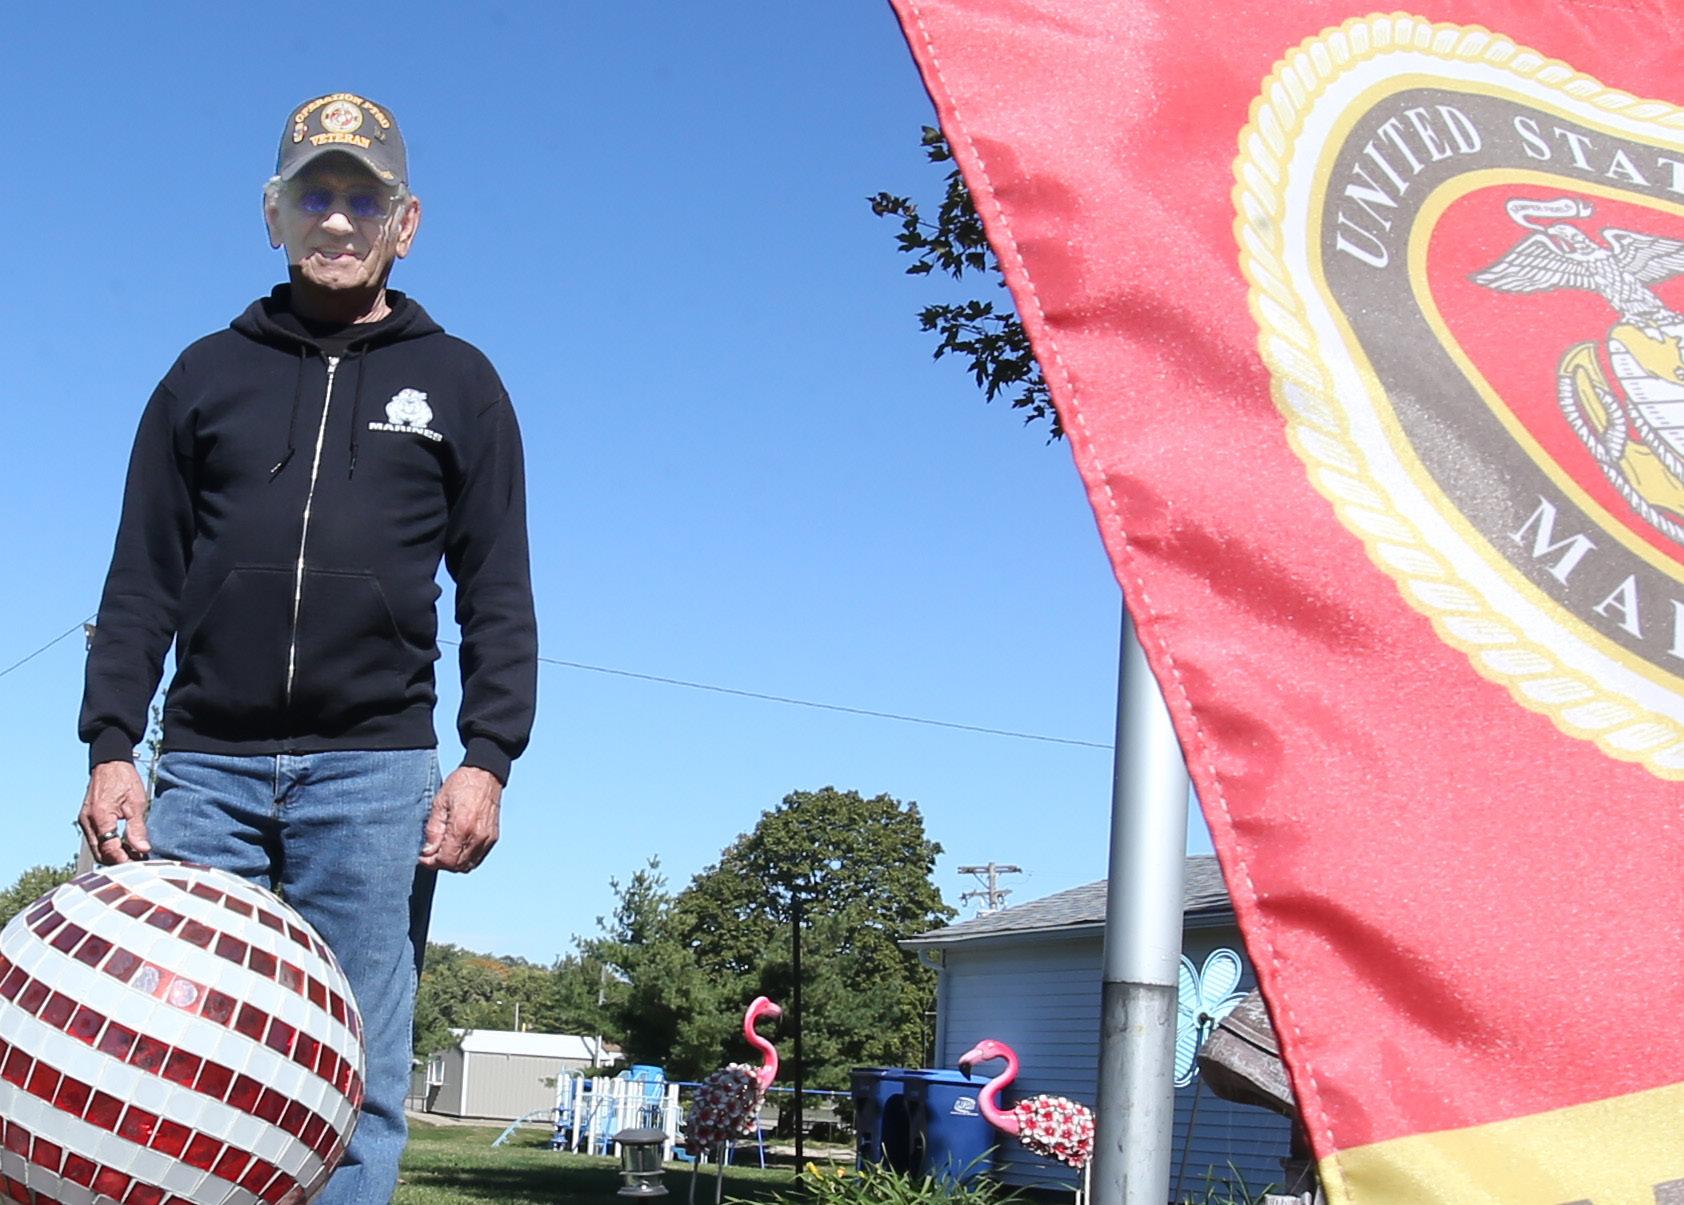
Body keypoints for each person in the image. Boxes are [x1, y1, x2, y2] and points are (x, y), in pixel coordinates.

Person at [76, 91, 538, 1203]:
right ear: (272, 214)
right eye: (314, 194)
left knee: (357, 1078)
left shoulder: (462, 383)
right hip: (204, 774)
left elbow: (497, 589)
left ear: (405, 222)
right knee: (169, 1060)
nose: (338, 219)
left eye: (363, 199)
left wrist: (488, 756)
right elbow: (140, 578)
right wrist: (110, 743)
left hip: (375, 779)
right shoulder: (202, 375)